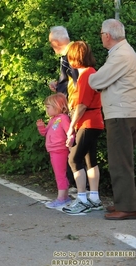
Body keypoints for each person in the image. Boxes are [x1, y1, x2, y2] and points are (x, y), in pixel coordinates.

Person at [89, 19, 136, 220]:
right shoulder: (123, 52)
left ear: (107, 35)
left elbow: (97, 80)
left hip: (121, 114)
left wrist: (92, 80)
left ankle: (126, 207)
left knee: (120, 161)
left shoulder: (121, 55)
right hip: (124, 112)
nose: (101, 36)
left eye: (101, 33)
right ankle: (124, 202)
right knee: (122, 160)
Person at [60, 41, 104, 215]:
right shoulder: (91, 72)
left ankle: (82, 199)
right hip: (94, 122)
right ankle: (94, 197)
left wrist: (71, 127)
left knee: (73, 159)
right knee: (89, 160)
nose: (68, 59)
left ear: (75, 56)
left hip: (87, 122)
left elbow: (82, 105)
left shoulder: (86, 75)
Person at [48, 26, 80, 191]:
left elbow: (77, 83)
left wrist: (73, 106)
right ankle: (71, 184)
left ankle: (75, 186)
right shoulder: (68, 55)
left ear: (55, 42)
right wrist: (58, 84)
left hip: (72, 109)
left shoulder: (72, 54)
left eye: (51, 43)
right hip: (68, 108)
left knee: (70, 145)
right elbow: (69, 81)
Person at [36, 93, 72, 209]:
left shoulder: (63, 118)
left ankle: (62, 198)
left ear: (57, 106)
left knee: (59, 174)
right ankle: (64, 196)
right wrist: (41, 127)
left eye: (48, 107)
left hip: (59, 149)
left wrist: (70, 141)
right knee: (60, 173)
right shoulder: (53, 120)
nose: (46, 110)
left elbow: (69, 132)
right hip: (54, 150)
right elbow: (45, 133)